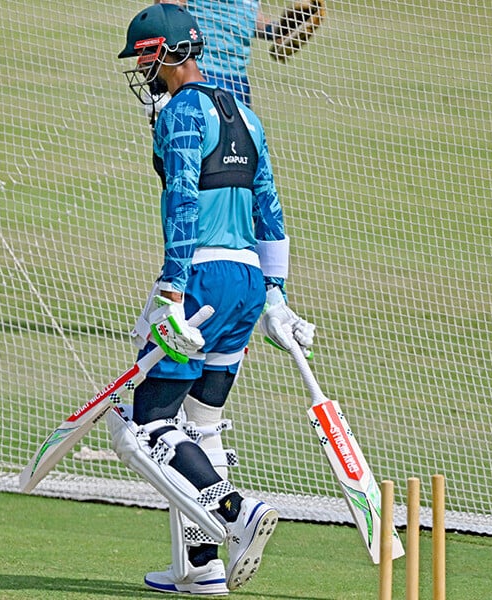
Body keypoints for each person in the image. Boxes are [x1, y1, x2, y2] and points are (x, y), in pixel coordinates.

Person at [112, 3, 315, 595]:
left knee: (145, 425)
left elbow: (181, 205)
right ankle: (200, 572)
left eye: (142, 59)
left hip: (199, 281)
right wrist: (276, 297)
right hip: (248, 284)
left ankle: (236, 513)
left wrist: (171, 291)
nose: (139, 72)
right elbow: (270, 210)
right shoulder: (246, 114)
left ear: (160, 54)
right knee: (203, 427)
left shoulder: (180, 113)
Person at [147, 0, 274, 118]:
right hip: (198, 70)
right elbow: (166, 9)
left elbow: (248, 14)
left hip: (237, 78)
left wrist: (278, 29)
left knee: (236, 137)